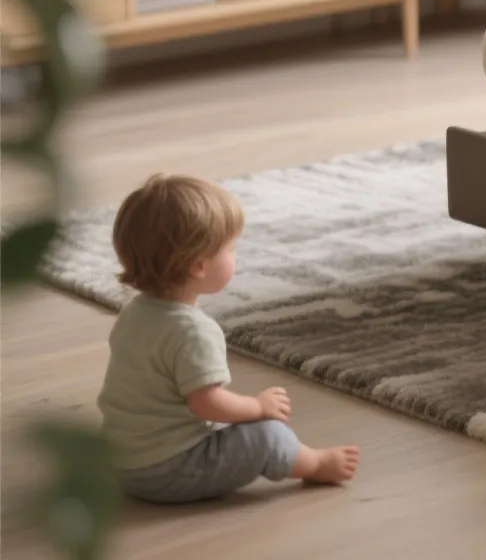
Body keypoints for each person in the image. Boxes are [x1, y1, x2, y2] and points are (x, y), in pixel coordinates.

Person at [97, 174, 359, 503]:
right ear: (198, 267)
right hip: (168, 470)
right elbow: (206, 403)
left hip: (122, 461)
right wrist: (257, 405)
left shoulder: (135, 312)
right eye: (231, 248)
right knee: (267, 435)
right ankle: (317, 464)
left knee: (232, 426)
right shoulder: (193, 331)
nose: (236, 255)